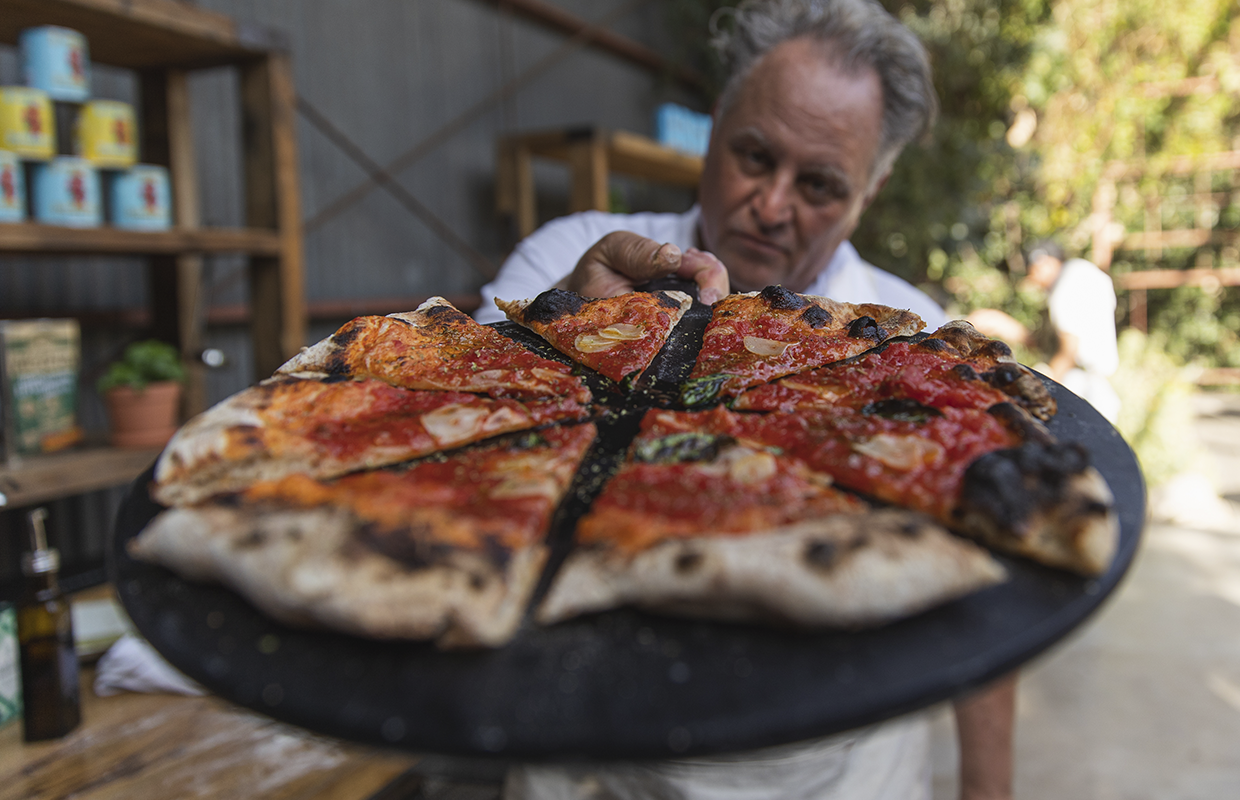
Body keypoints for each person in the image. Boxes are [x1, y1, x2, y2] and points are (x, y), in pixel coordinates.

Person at [479, 1, 1016, 798]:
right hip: (589, 742)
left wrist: (989, 787)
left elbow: (984, 562)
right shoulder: (574, 253)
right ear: (716, 121)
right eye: (754, 155)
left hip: (842, 764)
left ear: (872, 189)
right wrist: (575, 325)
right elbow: (452, 423)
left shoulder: (920, 341)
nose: (771, 205)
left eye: (821, 185)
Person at [968, 241, 1121, 423]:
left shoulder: (1066, 283)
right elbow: (1052, 343)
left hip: (1081, 387)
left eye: (1032, 272)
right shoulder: (1084, 273)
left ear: (1042, 262)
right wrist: (1006, 325)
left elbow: (1069, 351)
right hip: (1097, 387)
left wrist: (1044, 387)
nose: (1033, 281)